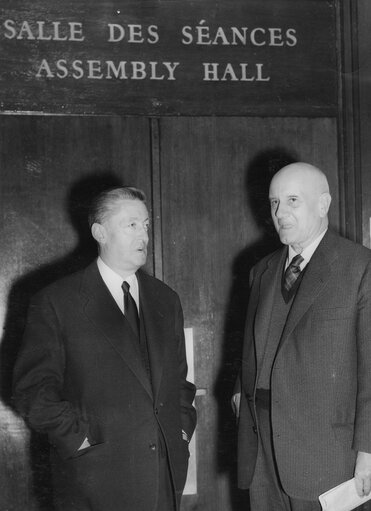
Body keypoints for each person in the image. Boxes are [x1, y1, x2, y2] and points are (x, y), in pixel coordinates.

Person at [13, 186, 196, 511]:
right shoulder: (56, 302)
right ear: (100, 232)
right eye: (131, 225)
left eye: (146, 224)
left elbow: (180, 384)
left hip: (162, 480)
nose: (144, 234)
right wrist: (80, 441)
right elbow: (33, 393)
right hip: (93, 481)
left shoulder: (166, 300)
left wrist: (180, 435)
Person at [233, 162, 371, 510]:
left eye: (292, 200)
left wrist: (369, 453)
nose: (280, 212)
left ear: (323, 204)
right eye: (274, 202)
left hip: (328, 457)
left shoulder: (360, 267)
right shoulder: (261, 271)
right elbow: (252, 349)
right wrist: (240, 394)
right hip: (263, 454)